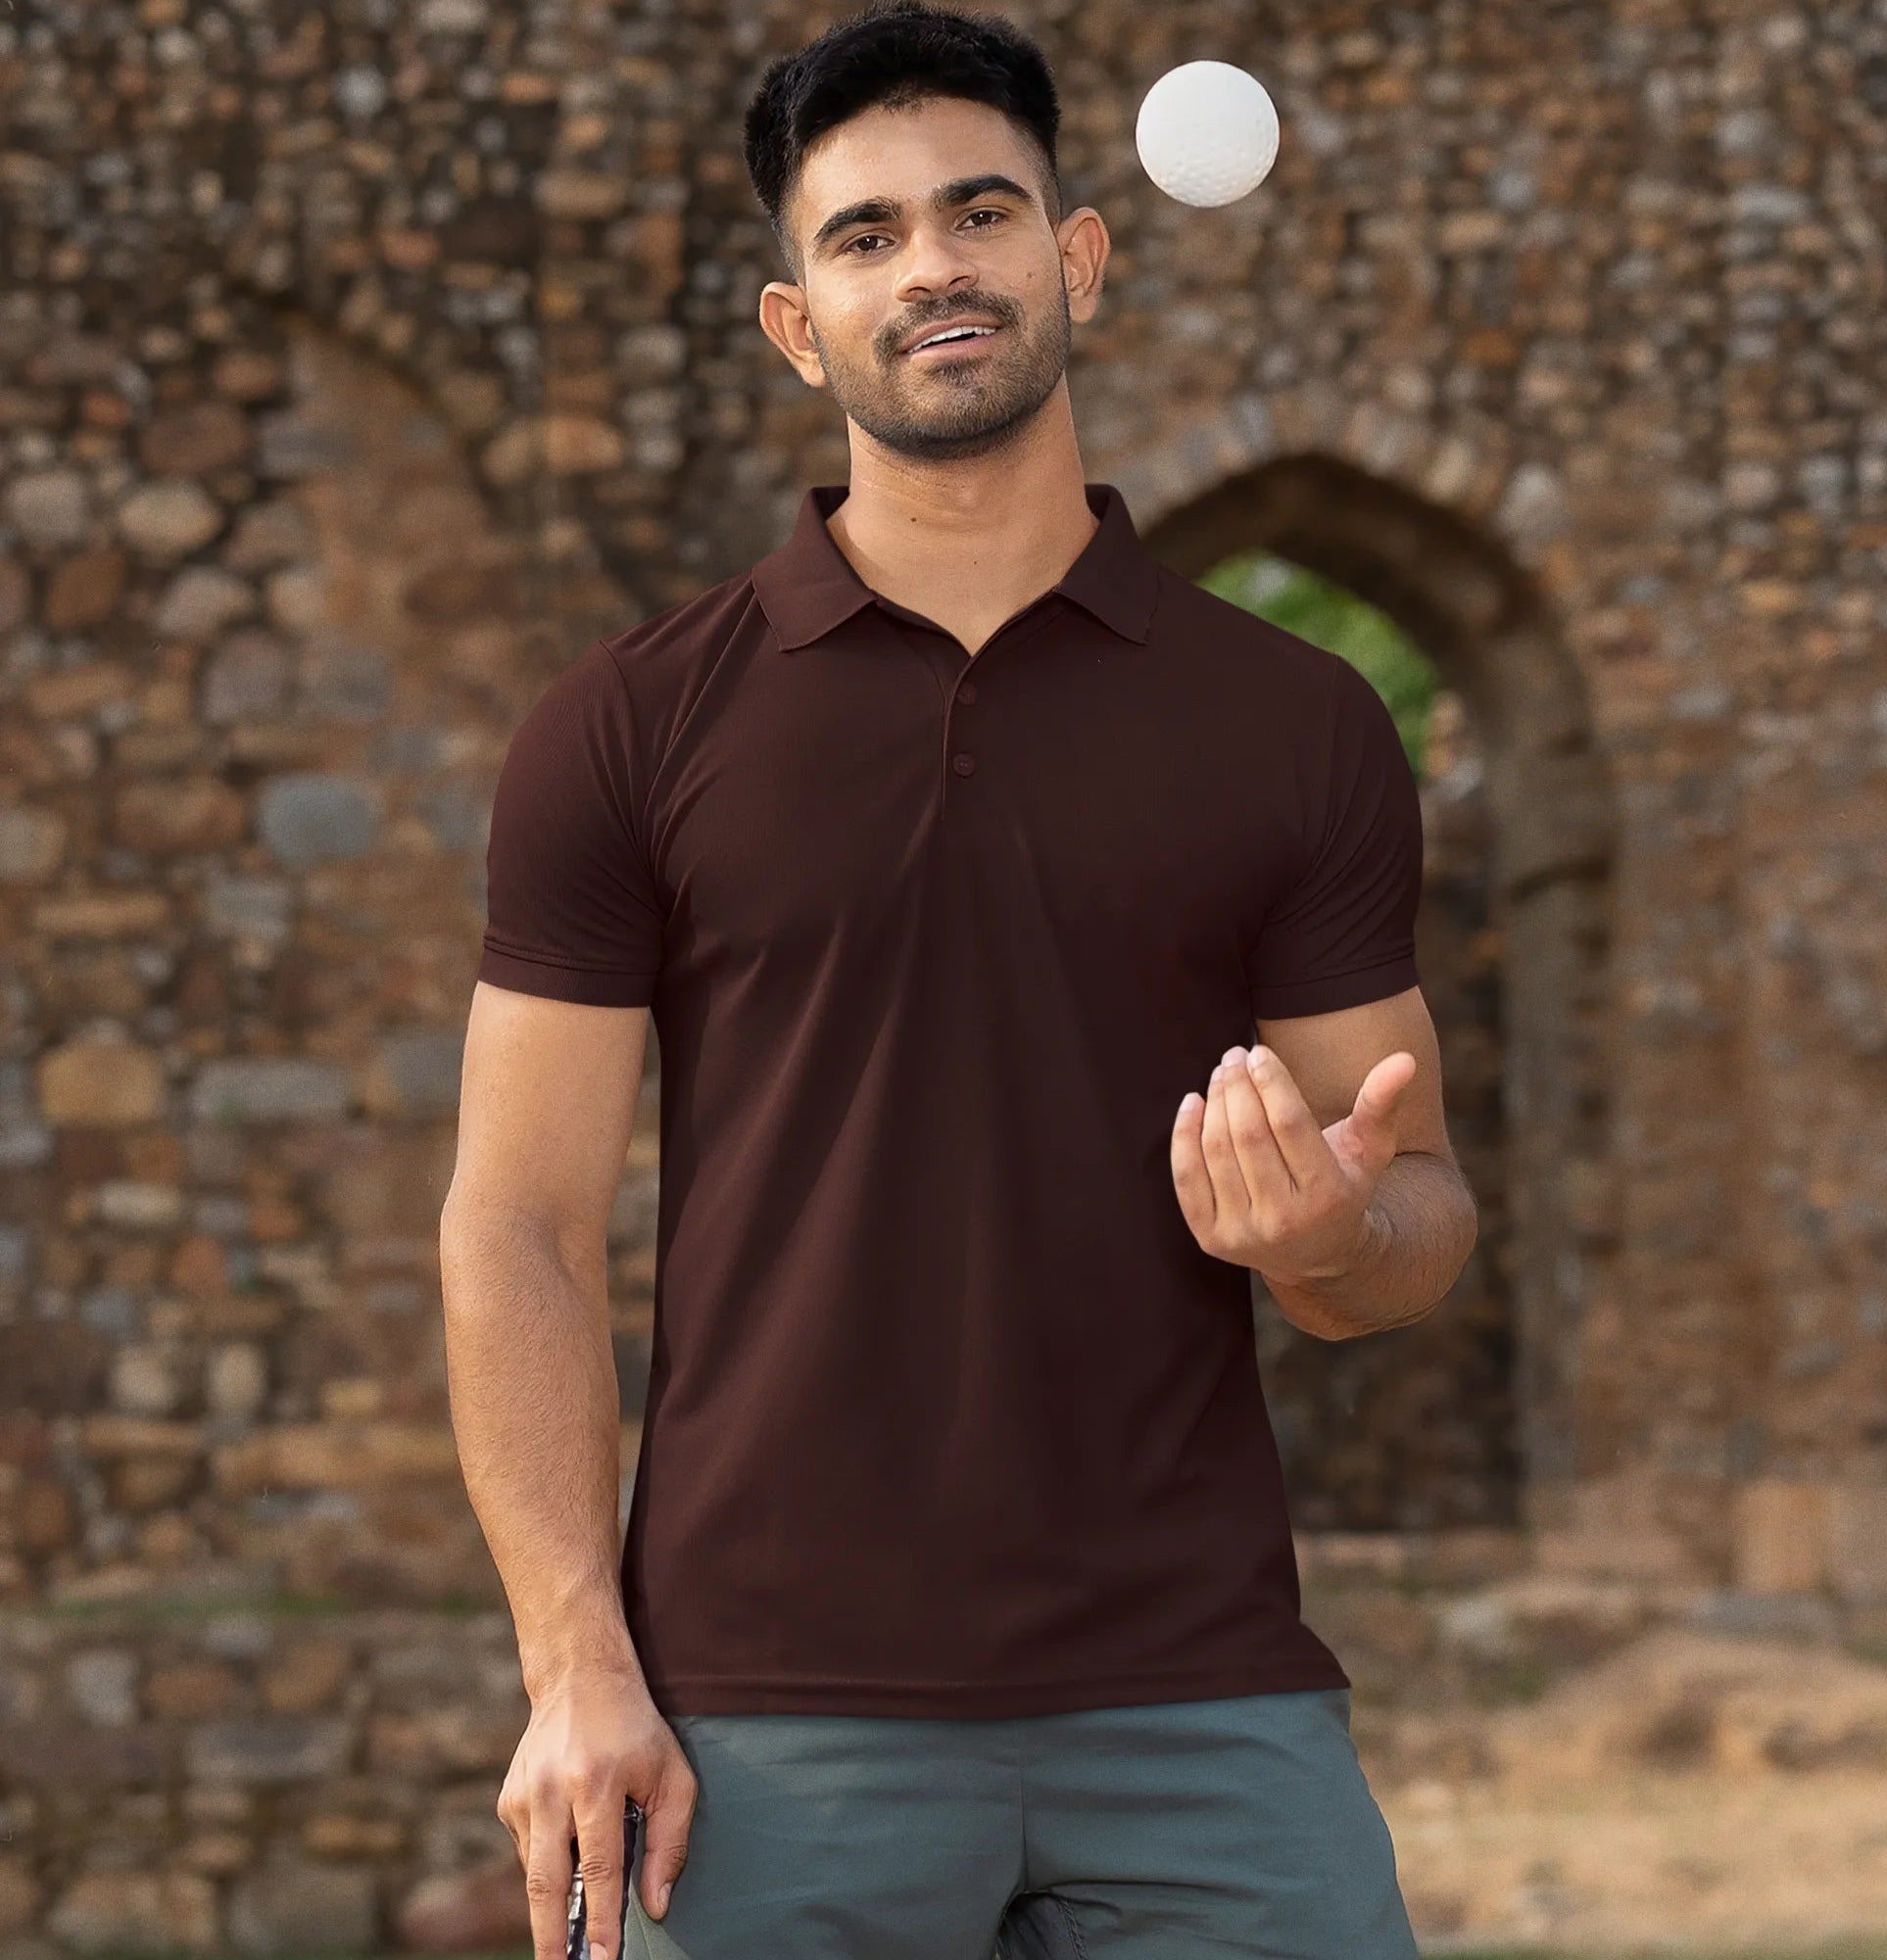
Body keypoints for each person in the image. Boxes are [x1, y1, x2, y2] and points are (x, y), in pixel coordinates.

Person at [439, 3, 1478, 1955]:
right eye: (865, 233)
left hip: (1203, 1689)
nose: (931, 264)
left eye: (980, 212)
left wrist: (1325, 1234)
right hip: (755, 1711)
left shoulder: (1298, 723)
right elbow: (516, 1223)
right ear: (795, 322)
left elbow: (1417, 1224)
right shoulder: (628, 727)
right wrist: (575, 1658)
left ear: (1072, 259)